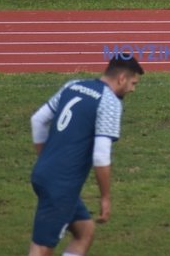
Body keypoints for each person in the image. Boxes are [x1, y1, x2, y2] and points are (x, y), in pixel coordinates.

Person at [28, 55, 144, 256]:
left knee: (85, 230)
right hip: (62, 184)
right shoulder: (109, 102)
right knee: (42, 247)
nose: (133, 89)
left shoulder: (73, 85)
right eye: (133, 83)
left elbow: (37, 120)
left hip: (44, 174)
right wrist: (106, 197)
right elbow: (100, 156)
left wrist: (45, 159)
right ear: (122, 78)